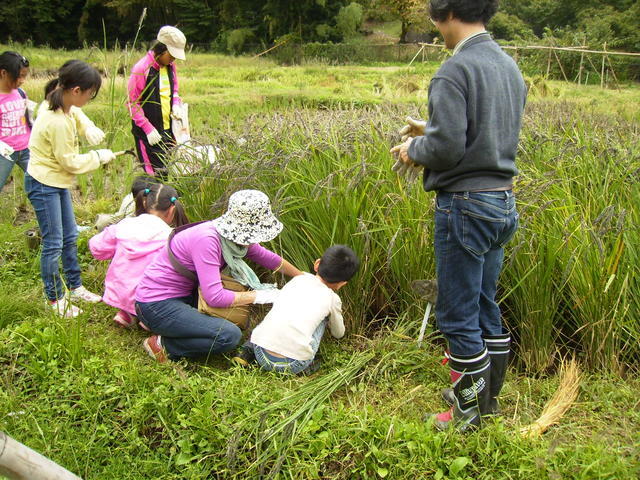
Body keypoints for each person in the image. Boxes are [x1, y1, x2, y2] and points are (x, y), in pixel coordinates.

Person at [390, 0, 526, 431]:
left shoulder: (454, 70)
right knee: (485, 303)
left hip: (465, 205)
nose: (435, 27)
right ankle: (487, 404)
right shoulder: (508, 66)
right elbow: (481, 136)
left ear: (446, 14)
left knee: (456, 314)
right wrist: (429, 130)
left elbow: (448, 150)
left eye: (435, 18)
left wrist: (415, 148)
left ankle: (467, 415)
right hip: (501, 202)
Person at [135, 189, 304, 363]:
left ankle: (172, 325)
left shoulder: (232, 237)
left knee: (228, 323)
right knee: (228, 335)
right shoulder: (207, 240)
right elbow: (215, 297)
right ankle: (162, 344)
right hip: (155, 304)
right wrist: (261, 296)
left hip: (184, 296)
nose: (253, 240)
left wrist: (301, 276)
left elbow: (265, 256)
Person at [25, 60, 117, 317]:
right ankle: (54, 299)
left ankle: (75, 286)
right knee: (53, 242)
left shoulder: (60, 101)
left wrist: (88, 127)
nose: (90, 97)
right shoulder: (56, 121)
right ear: (76, 90)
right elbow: (70, 162)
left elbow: (76, 114)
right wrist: (99, 156)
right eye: (90, 93)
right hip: (44, 184)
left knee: (70, 236)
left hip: (56, 182)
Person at [233, 245, 360, 375]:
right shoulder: (333, 299)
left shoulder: (299, 278)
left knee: (280, 311)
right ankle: (306, 368)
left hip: (261, 352)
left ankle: (247, 350)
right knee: (324, 319)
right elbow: (338, 333)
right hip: (293, 364)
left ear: (317, 264)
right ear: (342, 283)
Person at [89, 183, 188, 328]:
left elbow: (96, 247)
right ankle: (145, 319)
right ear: (172, 209)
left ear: (143, 201)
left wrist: (114, 251)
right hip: (148, 297)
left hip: (119, 291)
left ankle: (126, 313)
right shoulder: (170, 237)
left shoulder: (124, 225)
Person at [127, 26, 187, 177]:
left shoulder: (170, 67)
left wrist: (176, 103)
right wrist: (147, 128)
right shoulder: (142, 69)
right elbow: (132, 103)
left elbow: (174, 91)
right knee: (154, 177)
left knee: (167, 174)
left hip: (168, 130)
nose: (173, 59)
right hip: (149, 135)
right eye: (171, 54)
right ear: (161, 49)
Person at [0, 51, 32, 190]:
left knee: (44, 181)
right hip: (4, 153)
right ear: (3, 73)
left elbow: (27, 118)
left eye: (24, 76)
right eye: (18, 77)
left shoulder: (20, 93)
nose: (22, 80)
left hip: (27, 150)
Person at [94, 175, 161, 231]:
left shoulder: (160, 203)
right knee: (103, 221)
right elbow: (126, 222)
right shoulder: (130, 203)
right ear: (134, 198)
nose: (144, 203)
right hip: (125, 221)